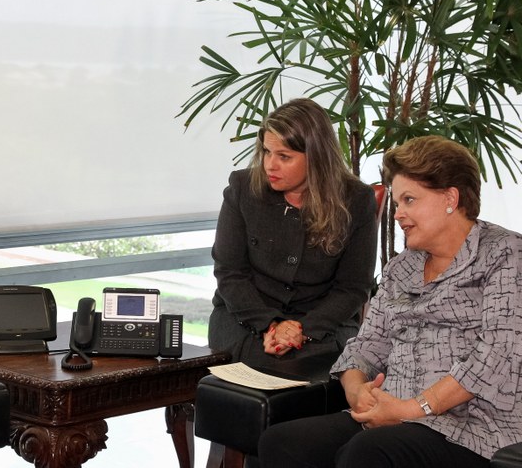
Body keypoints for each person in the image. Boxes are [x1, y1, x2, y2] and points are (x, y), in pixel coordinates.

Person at [258, 135, 522, 467]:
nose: (398, 214)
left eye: (410, 200)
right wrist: (360, 395)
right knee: (282, 444)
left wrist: (409, 409)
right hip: (389, 416)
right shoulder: (402, 267)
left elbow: (495, 357)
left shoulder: (505, 253)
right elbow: (365, 346)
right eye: (397, 203)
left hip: (470, 428)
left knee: (368, 452)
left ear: (450, 198)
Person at [208, 98, 379, 377]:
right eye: (266, 151)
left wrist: (303, 331)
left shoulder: (356, 200)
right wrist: (271, 326)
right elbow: (230, 274)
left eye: (284, 156)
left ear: (317, 157)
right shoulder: (242, 188)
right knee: (263, 368)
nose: (269, 165)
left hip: (322, 323)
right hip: (246, 317)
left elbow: (353, 287)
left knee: (311, 370)